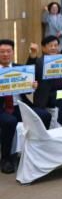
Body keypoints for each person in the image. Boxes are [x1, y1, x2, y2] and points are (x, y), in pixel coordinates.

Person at [0, 39, 51, 174]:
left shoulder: (19, 68)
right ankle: (5, 158)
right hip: (2, 109)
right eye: (2, 52)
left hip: (20, 106)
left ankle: (38, 151)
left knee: (45, 115)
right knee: (9, 121)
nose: (5, 54)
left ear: (13, 52)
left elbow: (27, 91)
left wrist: (32, 86)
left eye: (8, 51)